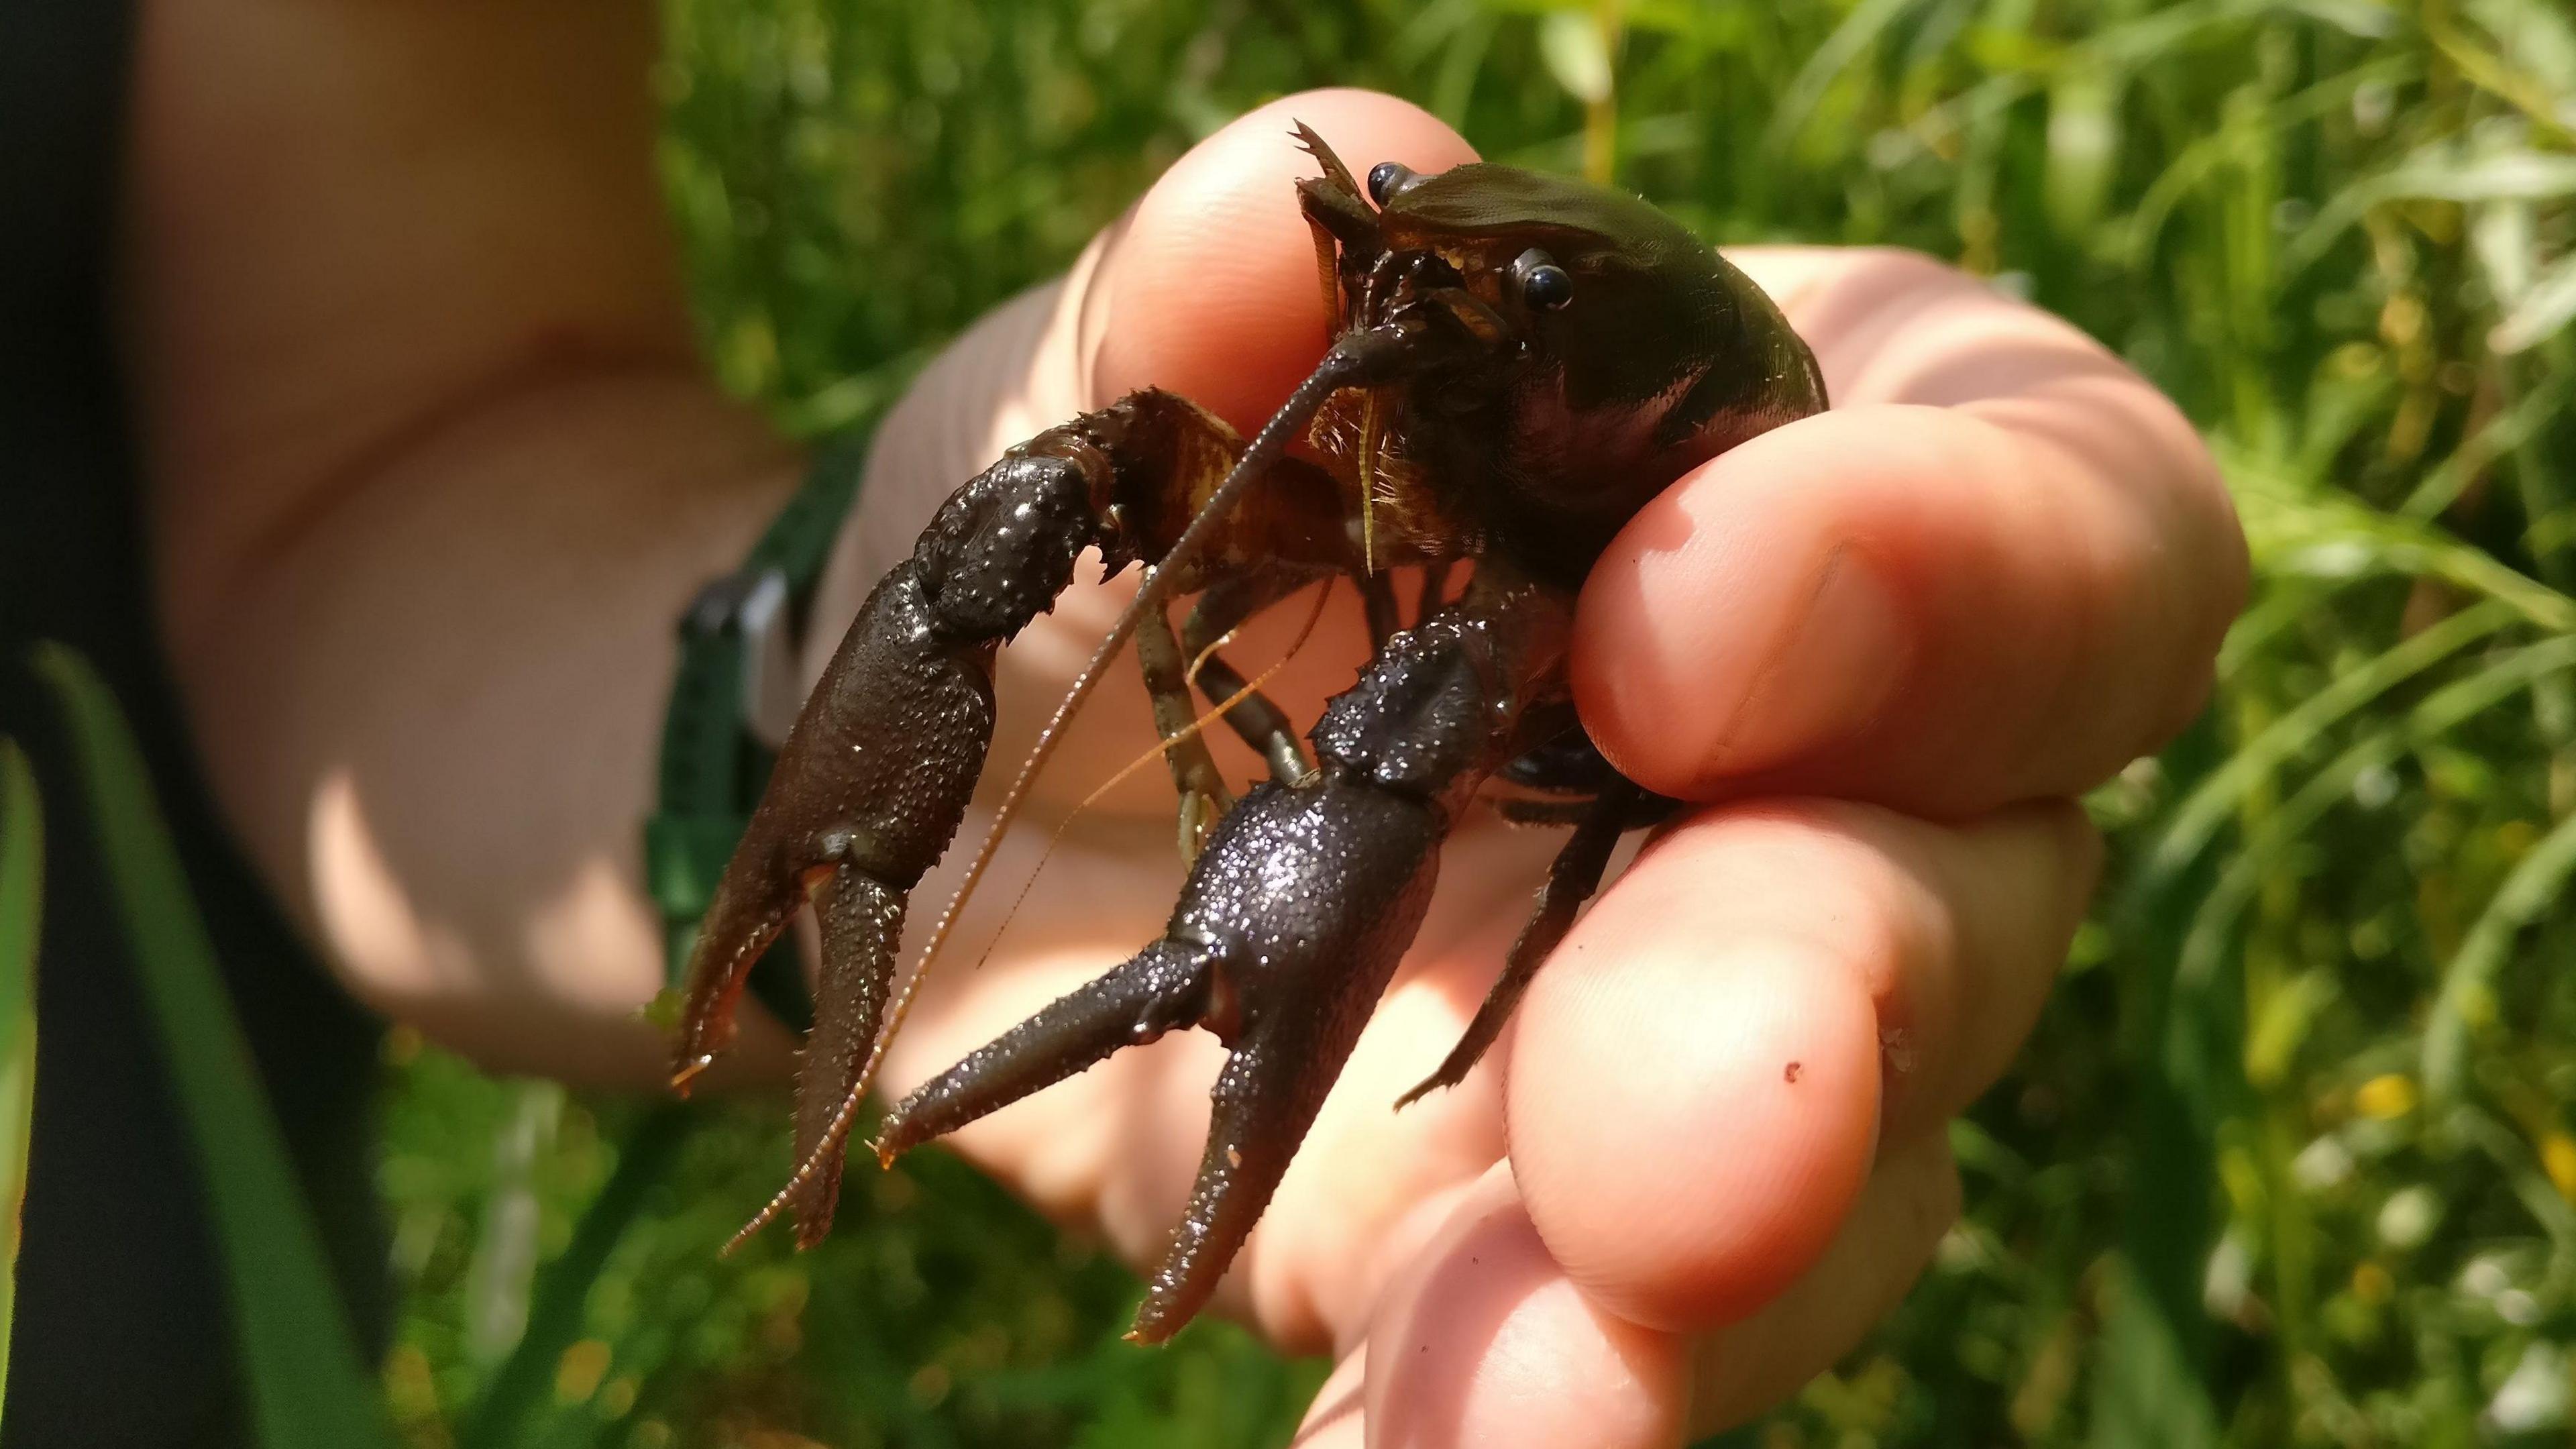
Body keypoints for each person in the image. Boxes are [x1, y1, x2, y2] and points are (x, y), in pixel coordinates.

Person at [9, 0, 2245, 1442]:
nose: (1384, 328)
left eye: (1468, 305)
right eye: (1380, 271)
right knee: (1080, 476)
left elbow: (383, 465)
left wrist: (735, 699)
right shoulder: (1386, 383)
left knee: (1617, 685)